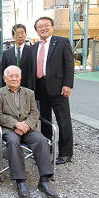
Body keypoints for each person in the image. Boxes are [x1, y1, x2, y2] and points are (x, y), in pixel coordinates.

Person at [0, 65, 57, 198]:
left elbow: (35, 113)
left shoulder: (29, 93)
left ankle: (44, 180)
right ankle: (20, 181)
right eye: (11, 76)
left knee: (42, 140)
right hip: (10, 129)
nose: (14, 79)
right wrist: (16, 124)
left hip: (28, 128)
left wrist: (26, 125)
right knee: (13, 141)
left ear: (21, 78)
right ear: (5, 78)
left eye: (17, 76)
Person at [28, 16, 74, 165]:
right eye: (40, 27)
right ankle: (47, 149)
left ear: (52, 27)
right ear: (36, 30)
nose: (43, 28)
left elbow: (69, 65)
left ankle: (66, 153)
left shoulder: (62, 42)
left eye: (46, 25)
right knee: (45, 121)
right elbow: (31, 70)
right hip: (40, 88)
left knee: (63, 121)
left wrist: (68, 84)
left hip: (58, 88)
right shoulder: (34, 47)